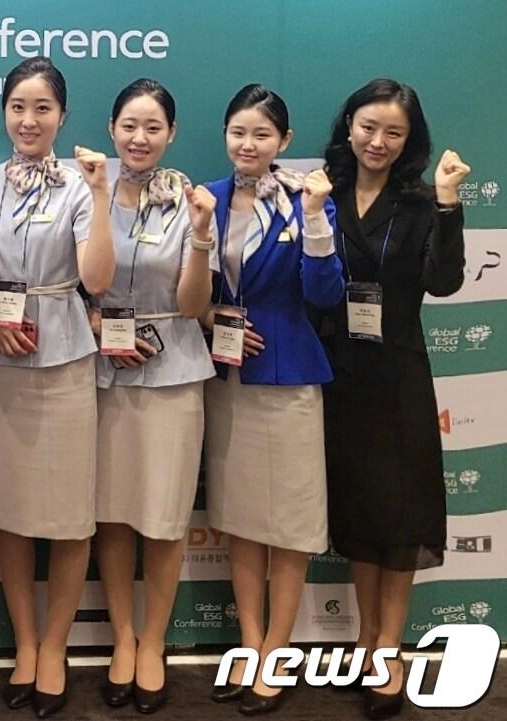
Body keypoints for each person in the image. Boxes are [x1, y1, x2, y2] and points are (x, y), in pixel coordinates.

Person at [0, 56, 114, 719]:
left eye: (42, 108)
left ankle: (54, 646)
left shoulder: (79, 183)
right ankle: (23, 642)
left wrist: (99, 195)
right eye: (17, 106)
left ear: (62, 117)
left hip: (66, 355)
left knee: (69, 515)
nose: (28, 119)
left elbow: (96, 280)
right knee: (9, 511)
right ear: (4, 113)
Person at [319, 79, 469, 720]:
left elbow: (445, 281)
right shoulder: (322, 192)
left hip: (400, 376)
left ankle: (390, 646)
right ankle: (363, 637)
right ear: (349, 126)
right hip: (340, 374)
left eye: (394, 132)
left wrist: (449, 201)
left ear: (410, 141)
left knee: (400, 515)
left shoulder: (420, 202)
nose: (377, 141)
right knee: (360, 512)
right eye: (368, 127)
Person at [197, 84, 343, 716]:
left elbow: (324, 293)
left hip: (288, 380)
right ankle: (249, 644)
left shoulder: (307, 200)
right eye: (238, 132)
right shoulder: (208, 198)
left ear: (284, 141)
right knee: (241, 520)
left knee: (288, 525)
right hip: (227, 378)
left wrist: (314, 216)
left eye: (262, 134)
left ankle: (277, 652)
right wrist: (211, 317)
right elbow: (192, 288)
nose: (248, 144)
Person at [86, 79, 215, 715]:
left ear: (171, 134)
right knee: (112, 514)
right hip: (103, 373)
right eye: (129, 126)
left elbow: (194, 306)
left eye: (153, 127)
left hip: (174, 370)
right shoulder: (88, 193)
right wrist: (96, 328)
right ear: (112, 129)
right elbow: (77, 285)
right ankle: (122, 639)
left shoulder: (191, 201)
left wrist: (201, 234)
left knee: (164, 518)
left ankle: (154, 643)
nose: (139, 138)